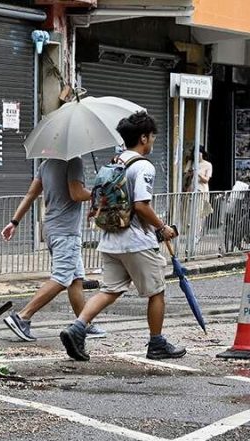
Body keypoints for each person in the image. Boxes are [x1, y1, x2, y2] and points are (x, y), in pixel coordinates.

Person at [59, 111, 185, 361]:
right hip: (137, 241)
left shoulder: (113, 162)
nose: (152, 142)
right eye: (152, 137)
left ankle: (77, 327)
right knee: (156, 292)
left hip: (110, 240)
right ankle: (157, 343)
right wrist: (162, 228)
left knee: (110, 290)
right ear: (143, 137)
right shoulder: (143, 166)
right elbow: (141, 205)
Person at [0, 157, 107, 342]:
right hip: (66, 232)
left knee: (75, 279)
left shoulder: (46, 164)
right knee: (61, 278)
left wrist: (14, 222)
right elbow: (76, 193)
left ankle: (83, 324)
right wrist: (98, 196)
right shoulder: (74, 162)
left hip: (51, 229)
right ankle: (22, 317)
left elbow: (30, 195)